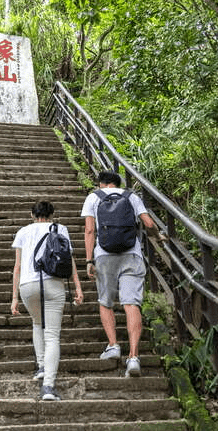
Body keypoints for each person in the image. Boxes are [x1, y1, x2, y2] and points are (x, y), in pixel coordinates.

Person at [82, 171, 166, 377]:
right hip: (132, 255)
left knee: (106, 302)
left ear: (101, 184)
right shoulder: (132, 196)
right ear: (117, 183)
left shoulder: (94, 197)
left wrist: (89, 260)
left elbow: (90, 230)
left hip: (104, 255)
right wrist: (158, 237)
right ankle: (134, 357)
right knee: (131, 303)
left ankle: (113, 345)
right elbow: (148, 223)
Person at [11, 200, 84, 400]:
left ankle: (41, 366)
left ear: (31, 214)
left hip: (27, 285)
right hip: (54, 284)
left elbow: (17, 267)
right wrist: (78, 287)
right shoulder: (61, 229)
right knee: (52, 335)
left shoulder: (23, 232)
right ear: (52, 215)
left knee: (37, 322)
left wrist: (14, 297)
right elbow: (69, 261)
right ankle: (48, 387)